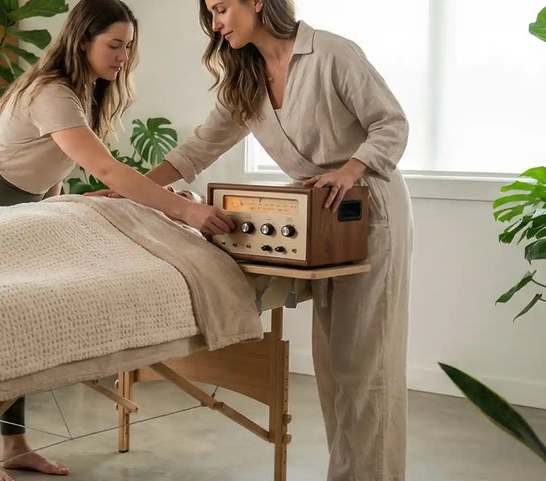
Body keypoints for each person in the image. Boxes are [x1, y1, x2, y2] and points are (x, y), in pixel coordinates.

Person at [92, 1, 413, 479]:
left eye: (221, 8)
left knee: (366, 365)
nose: (216, 23)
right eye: (211, 14)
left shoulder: (331, 54)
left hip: (368, 210)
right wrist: (134, 188)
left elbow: (392, 124)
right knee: (334, 367)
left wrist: (349, 170)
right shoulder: (246, 76)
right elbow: (200, 146)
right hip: (315, 221)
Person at [0, 1, 233, 479]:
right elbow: (109, 168)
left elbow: (54, 166)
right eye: (114, 45)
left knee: (18, 326)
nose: (123, 57)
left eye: (129, 47)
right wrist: (188, 212)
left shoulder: (84, 92)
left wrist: (55, 205)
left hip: (21, 208)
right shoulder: (53, 92)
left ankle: (15, 445)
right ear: (82, 42)